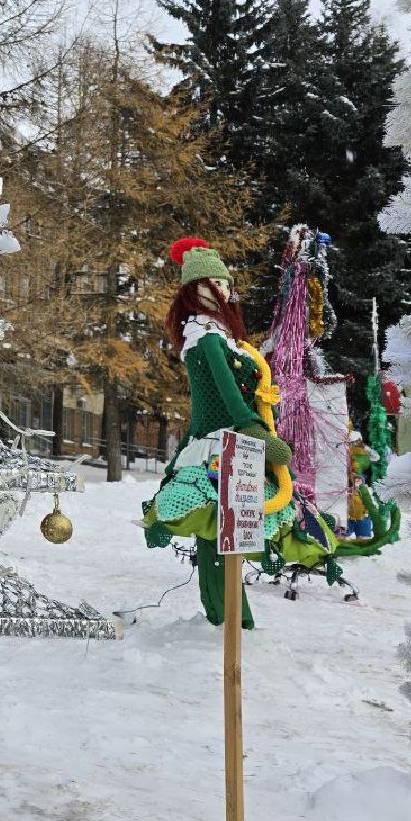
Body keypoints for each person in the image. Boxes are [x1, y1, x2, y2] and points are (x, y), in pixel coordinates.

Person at [142, 238, 297, 628]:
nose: (226, 291)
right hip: (221, 443)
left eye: (227, 283)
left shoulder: (223, 335)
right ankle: (228, 618)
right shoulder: (205, 336)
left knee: (230, 531)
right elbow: (227, 390)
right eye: (217, 282)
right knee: (221, 530)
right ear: (196, 288)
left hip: (237, 443)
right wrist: (254, 429)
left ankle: (230, 617)